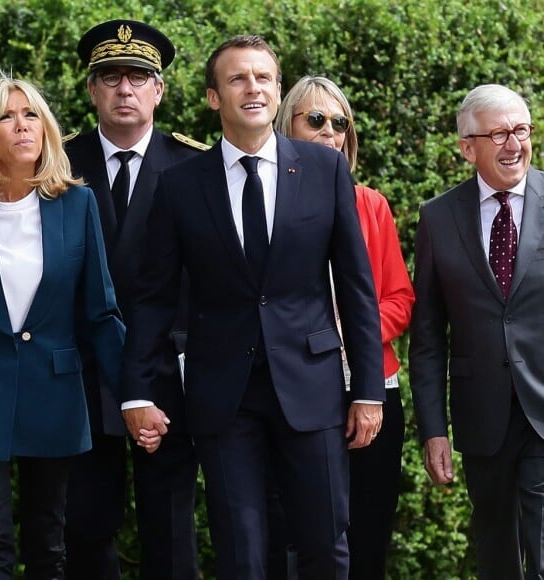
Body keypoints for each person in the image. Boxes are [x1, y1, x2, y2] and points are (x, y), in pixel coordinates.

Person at [120, 34, 385, 580]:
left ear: (278, 89)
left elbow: (356, 288)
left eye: (263, 77)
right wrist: (137, 391)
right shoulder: (179, 185)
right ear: (215, 98)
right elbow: (153, 298)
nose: (253, 88)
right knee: (241, 552)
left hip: (312, 386)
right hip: (223, 394)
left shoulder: (324, 169)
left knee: (324, 543)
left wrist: (367, 390)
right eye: (238, 78)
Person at [0, 75, 124, 579]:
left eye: (31, 114)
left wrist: (137, 394)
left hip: (55, 393)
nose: (22, 126)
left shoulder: (76, 205)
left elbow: (101, 311)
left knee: (48, 547)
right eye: (6, 117)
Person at [64, 19, 206, 580]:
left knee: (171, 530)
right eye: (111, 77)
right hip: (80, 372)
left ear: (160, 90)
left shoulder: (196, 166)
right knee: (84, 527)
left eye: (140, 76)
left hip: (170, 373)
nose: (126, 89)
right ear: (93, 88)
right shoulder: (57, 166)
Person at [274, 75, 415, 579]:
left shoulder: (370, 204)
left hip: (370, 386)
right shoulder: (259, 202)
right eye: (315, 119)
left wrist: (347, 328)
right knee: (295, 537)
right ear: (285, 123)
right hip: (292, 389)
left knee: (368, 537)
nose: (329, 130)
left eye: (340, 123)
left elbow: (401, 299)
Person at [409, 83, 544, 579]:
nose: (515, 144)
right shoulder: (438, 217)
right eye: (500, 133)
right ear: (468, 147)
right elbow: (427, 337)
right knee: (495, 551)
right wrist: (433, 429)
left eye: (522, 130)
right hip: (480, 416)